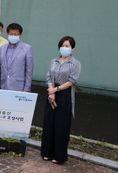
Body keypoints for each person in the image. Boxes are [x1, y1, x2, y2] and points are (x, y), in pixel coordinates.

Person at [41, 36, 81, 164]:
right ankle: (46, 152)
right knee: (49, 124)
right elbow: (48, 76)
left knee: (61, 126)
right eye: (62, 45)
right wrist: (51, 90)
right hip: (51, 94)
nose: (64, 48)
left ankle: (59, 156)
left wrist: (56, 90)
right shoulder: (54, 61)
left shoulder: (75, 63)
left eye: (67, 46)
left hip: (64, 95)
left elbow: (72, 81)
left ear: (72, 48)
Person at [0, 23, 34, 92]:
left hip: (19, 87)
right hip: (3, 86)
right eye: (11, 34)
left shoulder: (27, 48)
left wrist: (26, 89)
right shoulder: (2, 48)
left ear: (20, 35)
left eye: (15, 34)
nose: (13, 36)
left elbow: (29, 71)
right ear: (7, 34)